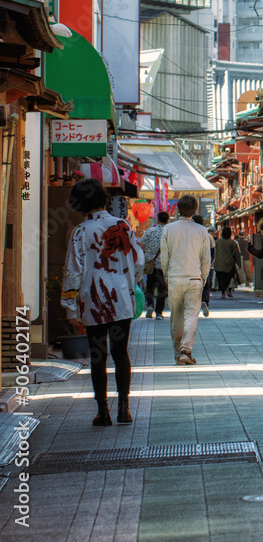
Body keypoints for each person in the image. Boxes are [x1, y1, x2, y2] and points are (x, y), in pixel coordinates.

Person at [61, 178, 144, 426]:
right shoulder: (123, 225)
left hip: (93, 301)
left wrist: (69, 304)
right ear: (104, 199)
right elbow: (138, 262)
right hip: (120, 300)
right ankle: (125, 409)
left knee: (98, 356)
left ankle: (103, 411)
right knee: (121, 353)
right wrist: (129, 283)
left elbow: (73, 271)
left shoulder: (80, 232)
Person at [161, 195, 212, 365]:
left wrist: (166, 275)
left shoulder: (168, 229)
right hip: (194, 277)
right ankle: (186, 350)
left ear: (177, 209)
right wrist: (203, 277)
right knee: (191, 315)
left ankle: (177, 352)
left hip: (174, 276)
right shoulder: (202, 230)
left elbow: (164, 257)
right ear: (195, 210)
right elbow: (206, 258)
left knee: (176, 316)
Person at [140, 211, 170, 319]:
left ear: (157, 219)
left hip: (151, 264)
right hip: (164, 265)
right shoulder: (169, 232)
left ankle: (149, 306)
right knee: (162, 289)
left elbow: (141, 244)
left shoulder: (149, 231)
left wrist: (148, 252)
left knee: (150, 287)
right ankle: (159, 312)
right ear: (167, 220)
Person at [192, 215, 214, 317]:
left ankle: (194, 305)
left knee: (193, 285)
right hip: (205, 263)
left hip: (192, 264)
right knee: (205, 284)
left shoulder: (189, 234)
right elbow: (213, 250)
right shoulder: (207, 235)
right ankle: (204, 301)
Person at [213, 226, 242, 298]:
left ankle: (223, 293)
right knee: (230, 278)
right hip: (230, 264)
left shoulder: (217, 242)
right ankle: (229, 290)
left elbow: (214, 252)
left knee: (220, 279)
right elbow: (236, 254)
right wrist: (239, 264)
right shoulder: (233, 243)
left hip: (219, 264)